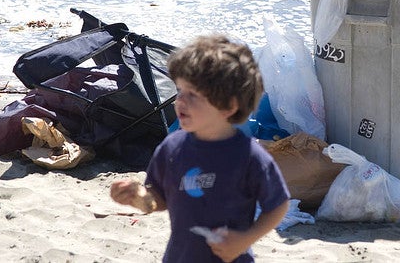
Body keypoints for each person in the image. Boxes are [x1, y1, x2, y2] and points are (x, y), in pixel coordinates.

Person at [110, 34, 290, 262]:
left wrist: (245, 240)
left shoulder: (248, 156)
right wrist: (139, 197)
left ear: (228, 106)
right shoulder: (172, 148)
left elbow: (278, 205)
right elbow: (160, 198)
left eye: (192, 95)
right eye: (179, 91)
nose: (179, 102)